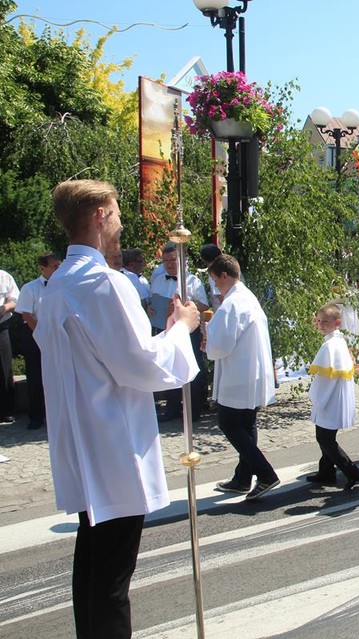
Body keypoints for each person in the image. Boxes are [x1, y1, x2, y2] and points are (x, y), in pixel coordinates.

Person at [35, 179, 200, 639]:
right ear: (99, 216)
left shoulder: (56, 285)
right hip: (113, 443)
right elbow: (140, 365)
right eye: (118, 212)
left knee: (92, 563)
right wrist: (182, 329)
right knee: (111, 577)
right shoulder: (103, 284)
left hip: (82, 437)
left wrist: (164, 334)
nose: (122, 222)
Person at [205, 254, 281, 501]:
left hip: (238, 373)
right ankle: (242, 478)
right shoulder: (246, 297)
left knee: (229, 423)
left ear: (225, 275)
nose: (216, 287)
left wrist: (207, 343)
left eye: (216, 281)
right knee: (247, 423)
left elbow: (222, 344)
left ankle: (266, 473)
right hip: (250, 370)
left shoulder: (232, 303)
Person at [305, 303, 359, 490]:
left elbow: (325, 379)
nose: (321, 325)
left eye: (325, 322)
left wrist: (316, 397)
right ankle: (326, 472)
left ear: (337, 322)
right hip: (333, 398)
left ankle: (352, 471)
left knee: (325, 439)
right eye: (319, 321)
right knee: (325, 437)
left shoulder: (331, 345)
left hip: (330, 400)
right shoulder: (337, 341)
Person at [150, 241, 210, 421]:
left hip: (188, 330)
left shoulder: (192, 281)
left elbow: (204, 304)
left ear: (181, 261)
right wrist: (151, 310)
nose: (168, 264)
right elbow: (154, 302)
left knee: (191, 367)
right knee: (169, 367)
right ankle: (172, 409)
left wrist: (181, 307)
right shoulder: (158, 280)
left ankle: (193, 411)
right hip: (165, 329)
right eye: (166, 261)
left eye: (172, 260)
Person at [15, 252, 61, 429]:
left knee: (58, 376)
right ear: (43, 269)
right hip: (35, 334)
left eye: (60, 265)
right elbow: (27, 315)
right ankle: (36, 416)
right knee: (36, 376)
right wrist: (42, 335)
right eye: (54, 266)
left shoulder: (64, 285)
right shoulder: (30, 288)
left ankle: (56, 416)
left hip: (58, 334)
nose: (58, 269)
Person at [0, 267, 19, 423]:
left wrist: (4, 308)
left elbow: (15, 299)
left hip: (1, 325)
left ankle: (6, 410)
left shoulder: (4, 276)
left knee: (4, 368)